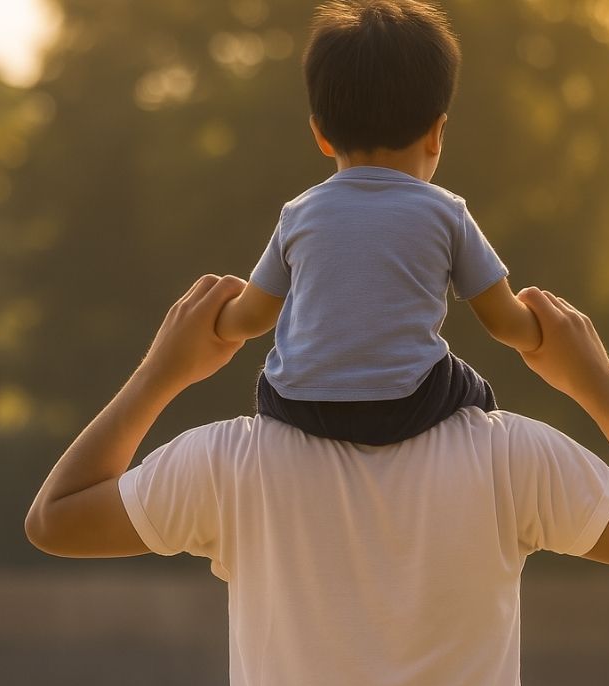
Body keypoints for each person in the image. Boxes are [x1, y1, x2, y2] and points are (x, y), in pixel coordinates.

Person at [25, 274, 609, 686]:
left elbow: (57, 518)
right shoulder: (509, 456)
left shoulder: (232, 462)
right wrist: (593, 381)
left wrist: (163, 372)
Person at [214, 0, 541, 446]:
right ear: (437, 132)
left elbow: (250, 319)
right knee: (475, 389)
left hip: (297, 405)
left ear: (321, 134)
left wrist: (216, 319)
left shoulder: (298, 213)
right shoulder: (447, 211)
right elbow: (505, 324)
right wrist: (544, 326)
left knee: (276, 368)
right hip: (406, 405)